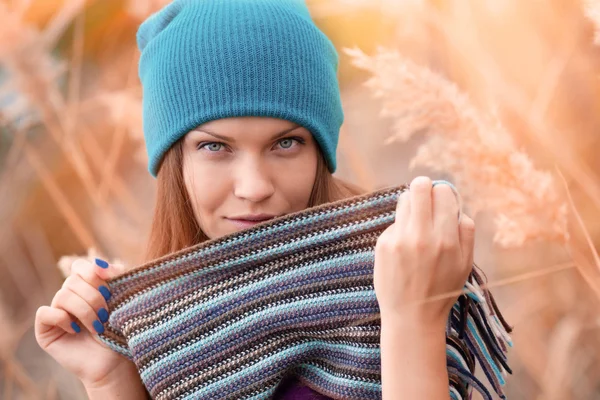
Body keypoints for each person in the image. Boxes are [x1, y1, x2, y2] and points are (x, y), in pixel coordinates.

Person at [34, 1, 475, 399]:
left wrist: (412, 319)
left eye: (285, 144)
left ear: (319, 151)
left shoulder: (404, 273)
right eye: (215, 147)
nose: (254, 186)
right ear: (174, 162)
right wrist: (110, 379)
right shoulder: (163, 342)